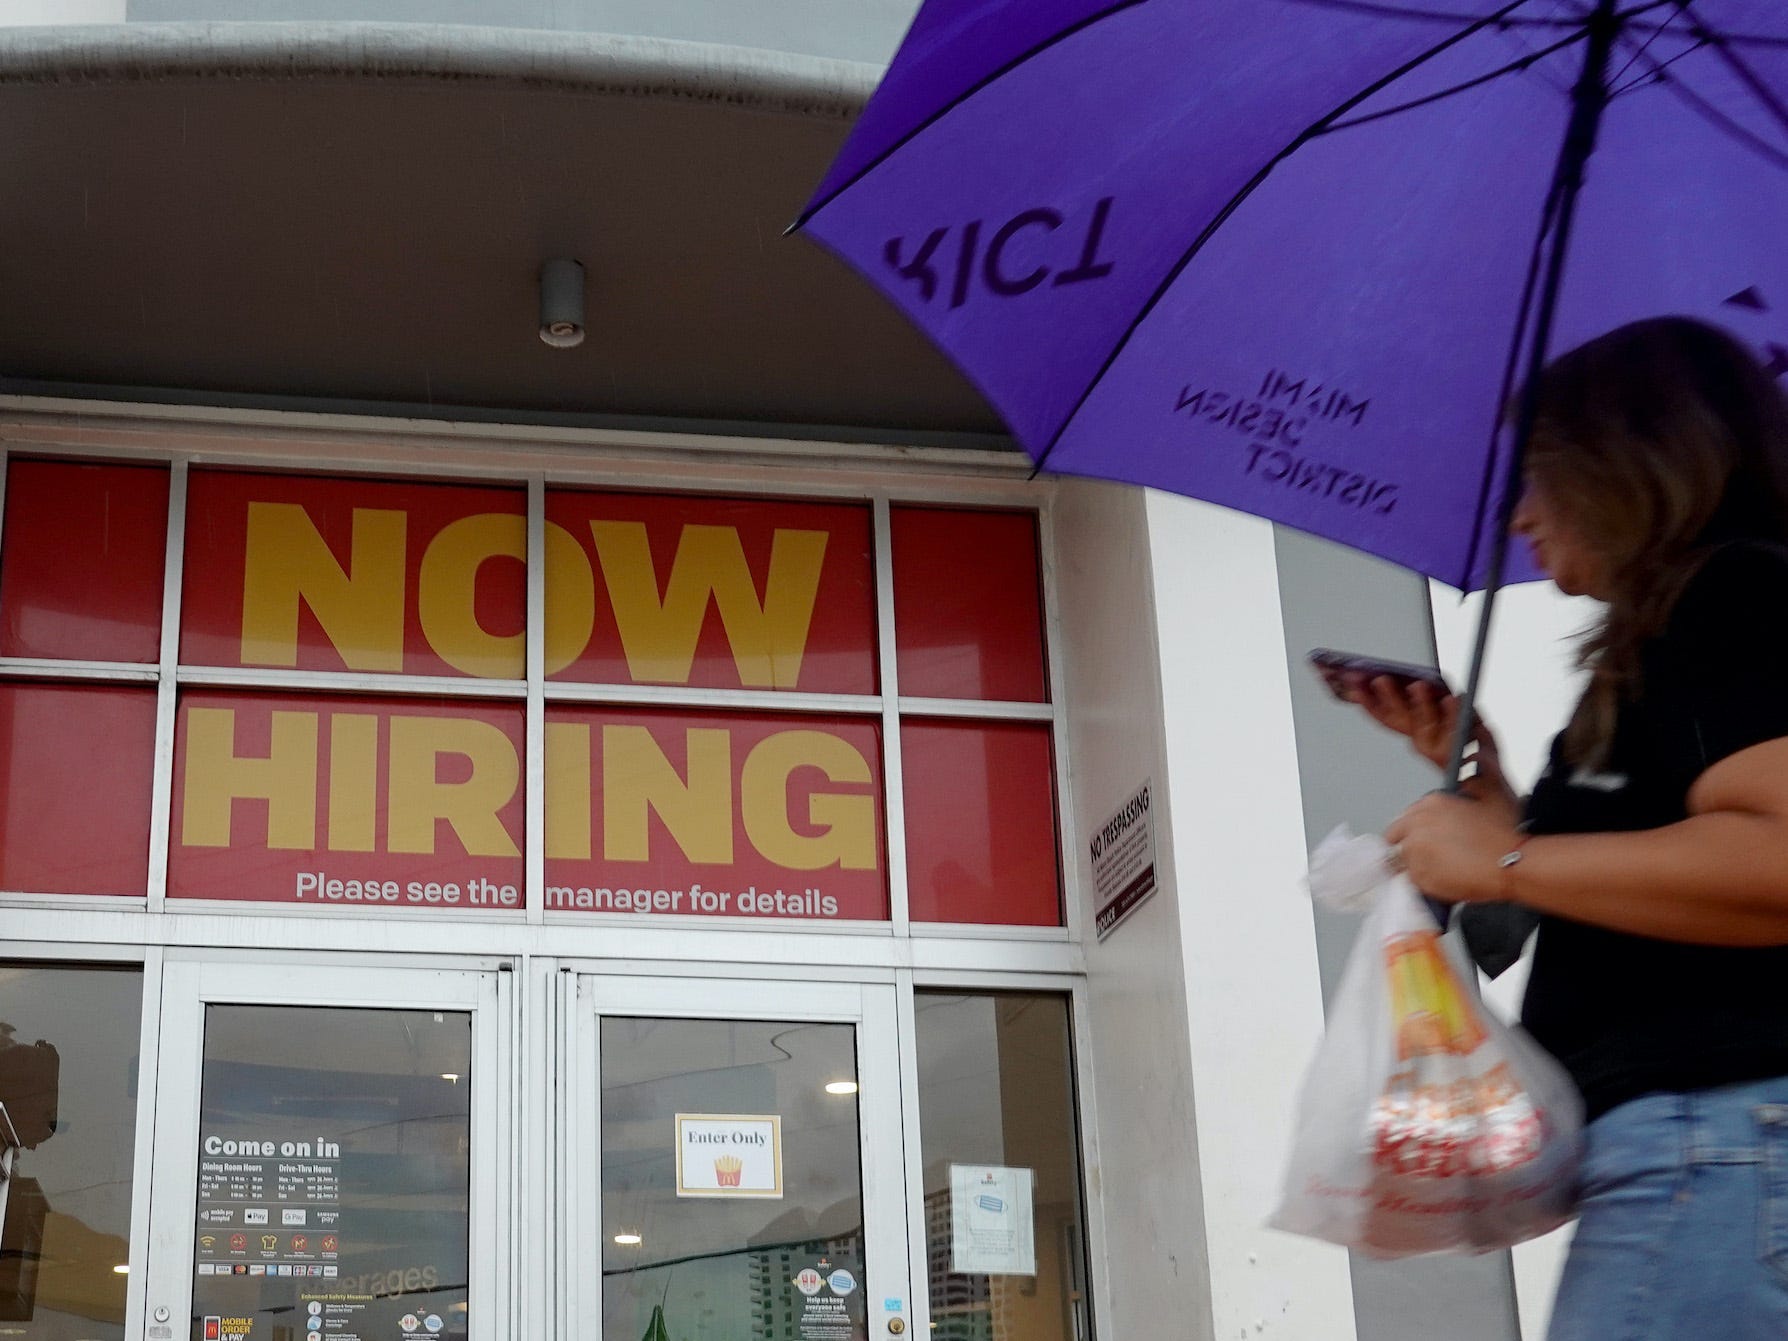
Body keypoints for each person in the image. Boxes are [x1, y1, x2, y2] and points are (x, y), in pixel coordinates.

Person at [1344, 316, 1788, 1341]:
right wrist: (1482, 784)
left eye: (1539, 474)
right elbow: (1613, 889)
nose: (1521, 517)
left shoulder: (1737, 598)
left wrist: (1506, 859)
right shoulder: (1665, 640)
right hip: (1710, 1151)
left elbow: (1774, 856)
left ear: (1629, 465)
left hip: (1720, 1144)